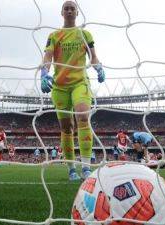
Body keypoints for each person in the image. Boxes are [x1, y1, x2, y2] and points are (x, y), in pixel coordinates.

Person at [41, 1, 105, 181]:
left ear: (77, 13)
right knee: (66, 127)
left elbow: (93, 57)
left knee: (83, 117)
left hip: (80, 83)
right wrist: (44, 73)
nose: (69, 10)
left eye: (72, 8)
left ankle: (86, 167)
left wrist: (98, 67)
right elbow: (47, 57)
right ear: (61, 12)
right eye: (66, 8)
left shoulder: (84, 34)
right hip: (60, 87)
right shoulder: (54, 35)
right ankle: (71, 169)